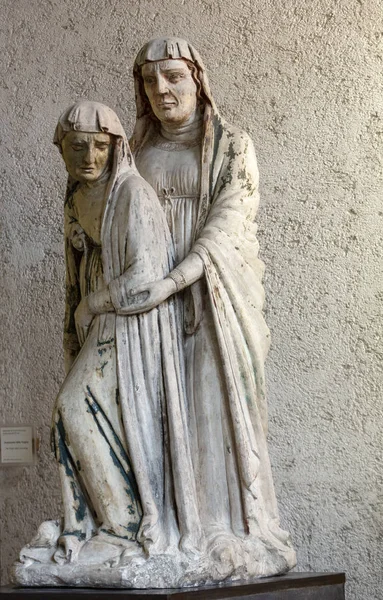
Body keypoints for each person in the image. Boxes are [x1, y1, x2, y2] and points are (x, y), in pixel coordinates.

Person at [125, 37, 297, 577]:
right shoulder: (134, 152)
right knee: (149, 412)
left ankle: (219, 528)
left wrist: (177, 279)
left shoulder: (232, 147)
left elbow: (229, 223)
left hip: (210, 303)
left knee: (208, 406)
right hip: (148, 309)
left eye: (173, 76)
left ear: (198, 79)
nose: (162, 90)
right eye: (151, 81)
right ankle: (163, 530)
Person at [20, 100, 201, 568]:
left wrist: (93, 301)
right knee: (74, 416)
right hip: (103, 322)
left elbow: (145, 274)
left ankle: (125, 525)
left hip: (133, 325)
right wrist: (82, 252)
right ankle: (93, 521)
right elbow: (81, 267)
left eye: (100, 146)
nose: (89, 156)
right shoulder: (76, 197)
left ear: (116, 147)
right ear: (62, 150)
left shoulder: (134, 194)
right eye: (78, 146)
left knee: (75, 405)